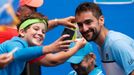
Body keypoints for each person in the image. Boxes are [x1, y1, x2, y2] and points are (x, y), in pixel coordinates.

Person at [0, 12, 86, 75]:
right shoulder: (15, 43)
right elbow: (18, 54)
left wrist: (58, 22)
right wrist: (49, 48)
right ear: (22, 32)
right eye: (36, 29)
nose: (41, 33)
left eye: (44, 31)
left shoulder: (25, 45)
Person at [74, 2, 134, 75]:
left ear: (101, 20)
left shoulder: (116, 43)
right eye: (80, 25)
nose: (84, 29)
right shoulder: (101, 45)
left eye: (88, 22)